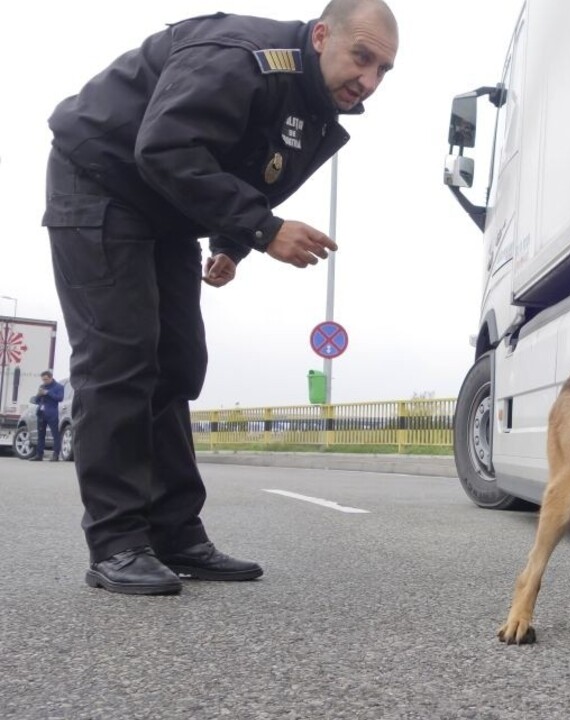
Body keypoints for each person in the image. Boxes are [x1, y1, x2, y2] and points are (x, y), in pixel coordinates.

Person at [42, 0, 398, 595]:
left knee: (178, 363)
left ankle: (176, 534)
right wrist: (264, 230)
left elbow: (255, 171)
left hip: (164, 209)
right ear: (319, 37)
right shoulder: (242, 58)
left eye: (384, 70)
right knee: (122, 358)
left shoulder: (312, 105)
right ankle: (117, 543)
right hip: (100, 182)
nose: (369, 81)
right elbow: (164, 146)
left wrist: (233, 242)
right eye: (361, 58)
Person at [30, 371, 65, 462]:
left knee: (55, 435)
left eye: (46, 379)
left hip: (52, 414)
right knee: (41, 435)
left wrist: (48, 392)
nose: (44, 381)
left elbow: (60, 398)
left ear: (51, 378)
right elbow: (37, 400)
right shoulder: (42, 387)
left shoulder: (59, 387)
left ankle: (55, 455)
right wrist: (39, 395)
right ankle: (39, 455)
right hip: (41, 413)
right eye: (43, 380)